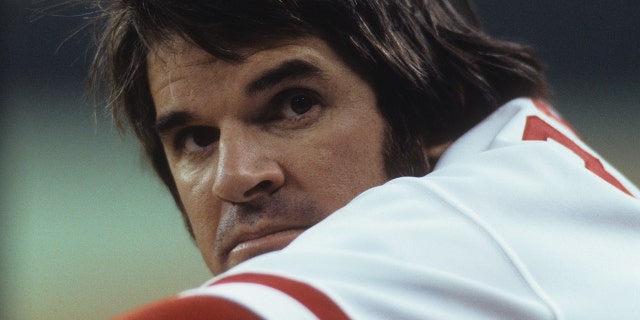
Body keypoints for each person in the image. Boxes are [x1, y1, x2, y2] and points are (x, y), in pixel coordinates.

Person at [88, 0, 640, 318]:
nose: (236, 176)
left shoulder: (476, 227)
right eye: (197, 139)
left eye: (294, 105)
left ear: (435, 113)